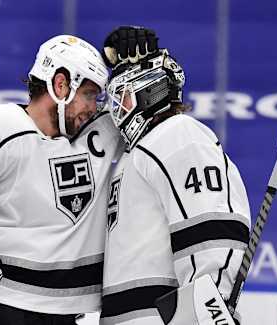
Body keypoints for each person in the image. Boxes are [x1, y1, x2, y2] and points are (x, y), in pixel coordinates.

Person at [0, 30, 158, 325]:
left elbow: (154, 102)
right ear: (61, 84)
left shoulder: (101, 132)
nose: (94, 107)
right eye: (89, 94)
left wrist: (144, 58)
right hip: (3, 308)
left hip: (67, 314)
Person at [99, 44, 251, 324]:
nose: (116, 107)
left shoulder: (178, 136)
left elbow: (210, 230)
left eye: (123, 95)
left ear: (150, 92)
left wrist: (211, 312)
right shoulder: (136, 154)